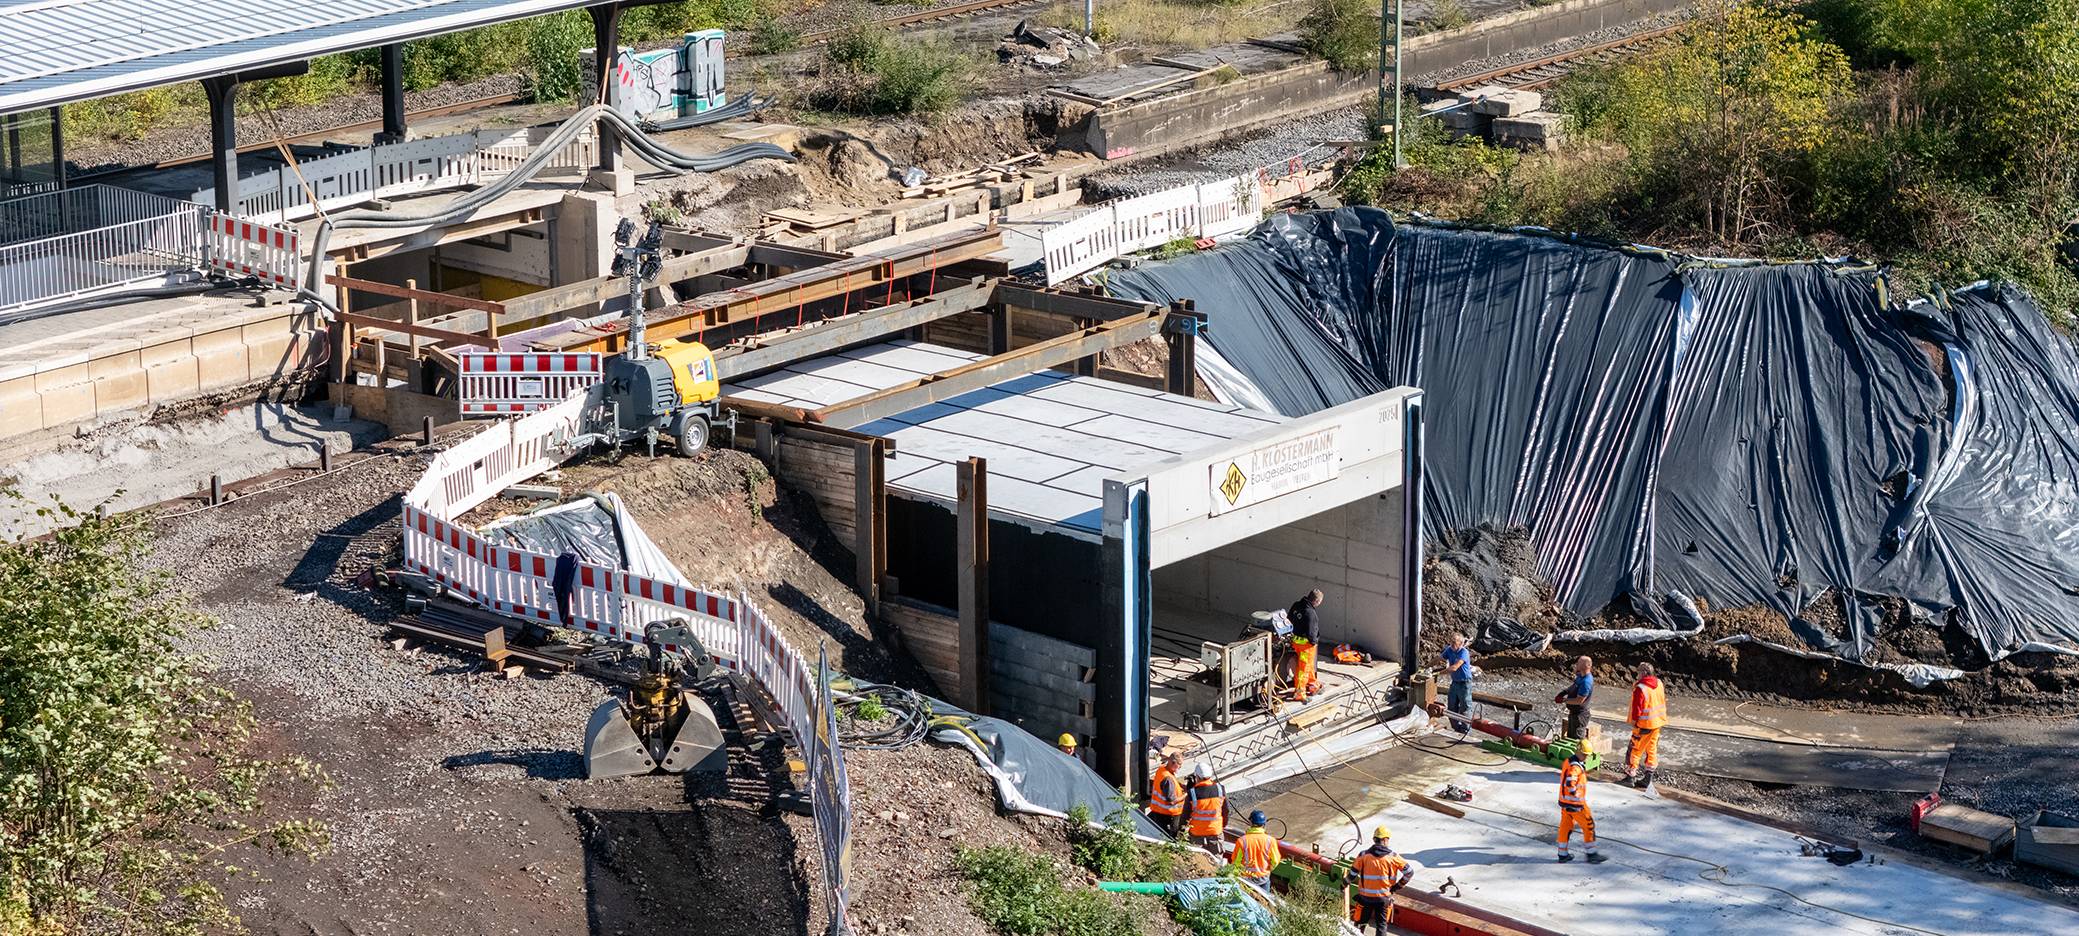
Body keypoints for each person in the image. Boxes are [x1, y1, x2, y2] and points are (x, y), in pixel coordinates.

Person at [1346, 825, 1413, 934]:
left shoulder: (1363, 855)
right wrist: (1396, 887)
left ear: (1374, 839)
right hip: (1383, 898)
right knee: (1381, 926)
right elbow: (1409, 872)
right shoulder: (1394, 857)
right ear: (1385, 840)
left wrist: (1344, 883)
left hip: (1365, 898)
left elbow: (1352, 874)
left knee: (1359, 925)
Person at [1556, 747, 1605, 863]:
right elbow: (1570, 782)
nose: (1586, 757)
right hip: (1576, 805)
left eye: (1587, 755)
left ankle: (1562, 854)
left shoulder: (1568, 762)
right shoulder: (1575, 767)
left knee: (1565, 828)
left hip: (1565, 804)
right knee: (1589, 826)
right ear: (1578, 752)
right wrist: (1576, 794)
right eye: (1584, 754)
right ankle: (1592, 854)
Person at [1624, 663, 1668, 789]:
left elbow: (1637, 709)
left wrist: (1634, 722)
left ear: (1643, 673)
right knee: (1651, 750)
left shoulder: (1641, 688)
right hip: (1657, 724)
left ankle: (1630, 777)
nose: (1637, 675)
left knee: (1634, 750)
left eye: (1638, 672)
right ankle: (1648, 778)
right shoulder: (1659, 683)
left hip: (1644, 725)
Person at [1287, 590, 1324, 703]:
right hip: (1306, 646)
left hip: (1296, 642)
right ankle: (1300, 693)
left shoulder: (1296, 605)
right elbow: (1312, 633)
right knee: (1303, 669)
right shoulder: (1311, 614)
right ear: (1317, 601)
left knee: (1308, 665)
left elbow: (1288, 620)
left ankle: (1312, 684)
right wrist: (1314, 642)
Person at [1230, 810, 1283, 889]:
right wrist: (1267, 870)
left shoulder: (1242, 841)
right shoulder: (1271, 841)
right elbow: (1275, 861)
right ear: (1264, 824)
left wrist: (1235, 876)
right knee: (1264, 897)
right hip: (1263, 879)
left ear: (1250, 823)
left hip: (1246, 879)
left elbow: (1236, 862)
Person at [1184, 763, 1228, 853]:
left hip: (1197, 833)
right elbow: (1226, 810)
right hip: (1215, 831)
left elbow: (1185, 815)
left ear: (1197, 777)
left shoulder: (1192, 793)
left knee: (1197, 858)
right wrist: (1223, 824)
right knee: (1216, 858)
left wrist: (1180, 829)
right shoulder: (1220, 789)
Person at [1553, 655, 1594, 740]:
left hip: (1580, 716)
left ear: (1587, 666)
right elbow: (1573, 686)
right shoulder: (1580, 676)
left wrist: (1563, 700)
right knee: (1570, 737)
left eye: (1579, 663)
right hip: (1574, 713)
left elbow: (1579, 700)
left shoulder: (1586, 682)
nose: (1577, 664)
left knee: (1576, 739)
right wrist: (1564, 692)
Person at [1440, 633, 1475, 732]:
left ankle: (1465, 730)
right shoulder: (1449, 650)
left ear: (1460, 643)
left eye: (1454, 642)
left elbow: (1454, 667)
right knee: (1451, 706)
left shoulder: (1464, 652)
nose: (1452, 644)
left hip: (1464, 683)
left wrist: (1438, 673)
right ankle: (1456, 728)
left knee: (1465, 707)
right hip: (1455, 682)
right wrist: (1426, 667)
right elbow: (1439, 658)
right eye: (1451, 642)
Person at [1147, 751, 1187, 837]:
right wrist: (1185, 795)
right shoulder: (1168, 779)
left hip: (1158, 810)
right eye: (1179, 765)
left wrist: (1180, 785)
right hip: (1169, 814)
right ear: (1173, 763)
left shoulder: (1161, 770)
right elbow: (1171, 801)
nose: (1180, 767)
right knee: (1172, 836)